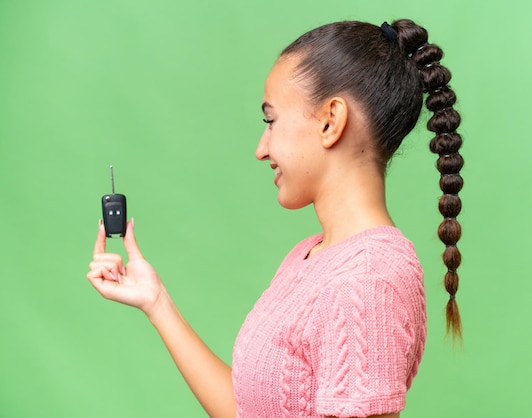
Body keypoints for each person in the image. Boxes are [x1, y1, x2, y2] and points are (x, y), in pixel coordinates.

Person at [87, 18, 464, 418]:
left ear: (330, 121)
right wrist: (156, 302)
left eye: (271, 120)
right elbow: (247, 410)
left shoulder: (369, 278)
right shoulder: (312, 255)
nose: (261, 148)